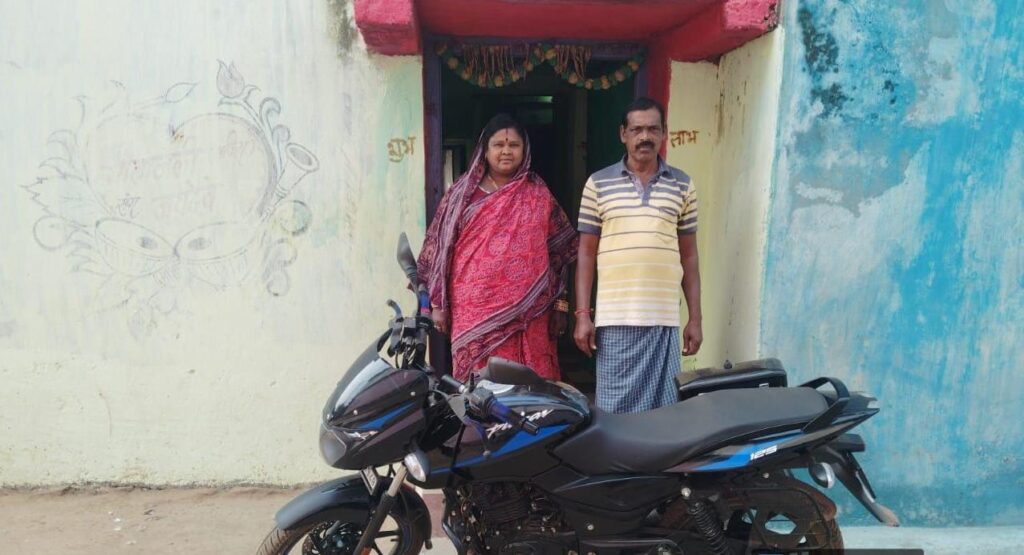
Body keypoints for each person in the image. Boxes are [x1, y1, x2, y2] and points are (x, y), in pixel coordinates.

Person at [418, 114, 578, 381]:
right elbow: (439, 250)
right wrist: (438, 304)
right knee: (479, 389)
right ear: (485, 149)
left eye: (514, 145)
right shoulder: (461, 195)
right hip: (474, 309)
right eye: (498, 145)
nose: (506, 151)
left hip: (530, 312)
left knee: (530, 388)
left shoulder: (538, 193)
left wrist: (561, 306)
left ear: (524, 150)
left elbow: (561, 252)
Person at [573, 97, 703, 413]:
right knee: (613, 412)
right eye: (637, 129)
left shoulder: (683, 185)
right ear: (623, 134)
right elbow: (586, 254)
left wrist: (695, 318)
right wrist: (582, 315)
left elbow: (689, 257)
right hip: (615, 319)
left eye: (653, 129)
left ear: (664, 133)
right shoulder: (597, 184)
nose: (645, 137)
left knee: (662, 415)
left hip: (663, 321)